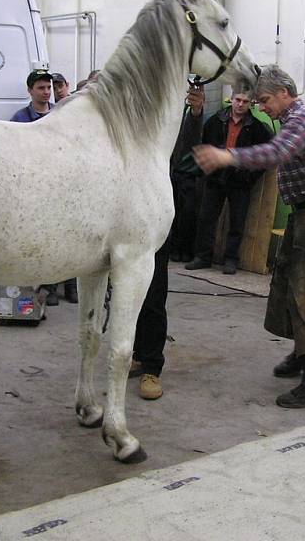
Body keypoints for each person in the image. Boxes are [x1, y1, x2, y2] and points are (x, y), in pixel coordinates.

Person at [194, 65, 305, 409]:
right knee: (292, 291)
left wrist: (226, 155)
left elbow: (275, 154)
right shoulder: (291, 121)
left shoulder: (303, 118)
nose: (261, 107)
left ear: (286, 93)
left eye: (265, 100)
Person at [129, 84, 206, 400]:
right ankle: (133, 353)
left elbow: (187, 144)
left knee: (153, 293)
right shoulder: (129, 130)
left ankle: (152, 365)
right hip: (127, 223)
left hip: (156, 223)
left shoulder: (165, 132)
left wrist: (197, 113)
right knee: (125, 295)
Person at [184, 91, 272, 274]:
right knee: (206, 218)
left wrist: (249, 177)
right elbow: (204, 143)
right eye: (238, 100)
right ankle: (203, 256)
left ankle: (231, 259)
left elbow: (265, 157)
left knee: (237, 222)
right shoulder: (215, 121)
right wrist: (207, 168)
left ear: (251, 104)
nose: (240, 104)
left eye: (245, 101)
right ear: (231, 100)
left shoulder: (257, 128)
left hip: (240, 182)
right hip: (215, 178)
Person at [10, 69, 76, 304]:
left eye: (49, 88)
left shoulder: (62, 116)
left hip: (60, 189)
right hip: (32, 190)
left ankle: (66, 286)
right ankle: (41, 287)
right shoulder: (19, 119)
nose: (47, 92)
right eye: (41, 88)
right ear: (30, 90)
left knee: (64, 239)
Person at [169, 85, 206, 263]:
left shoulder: (192, 113)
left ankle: (185, 250)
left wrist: (196, 109)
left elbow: (195, 119)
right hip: (171, 170)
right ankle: (173, 249)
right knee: (173, 213)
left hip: (189, 173)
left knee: (188, 214)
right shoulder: (172, 111)